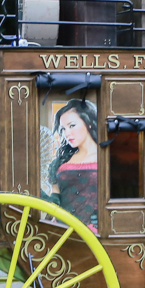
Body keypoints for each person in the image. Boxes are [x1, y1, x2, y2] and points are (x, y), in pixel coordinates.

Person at [46, 99, 99, 233]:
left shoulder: (107, 158)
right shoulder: (61, 162)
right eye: (63, 128)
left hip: (95, 234)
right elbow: (55, 199)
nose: (67, 133)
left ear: (89, 123)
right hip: (61, 230)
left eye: (72, 126)